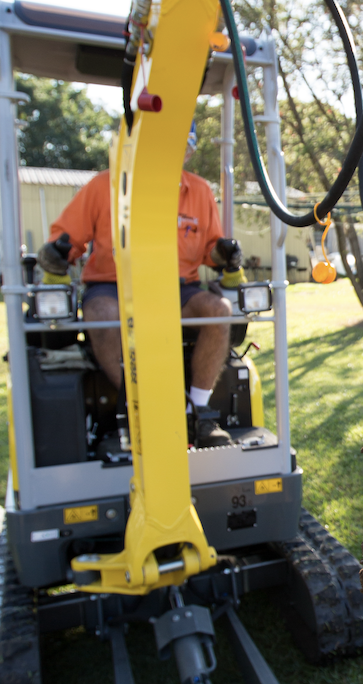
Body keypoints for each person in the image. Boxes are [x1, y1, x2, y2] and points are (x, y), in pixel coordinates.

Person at [37, 126, 243, 448]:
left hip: (177, 288)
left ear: (188, 152)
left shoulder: (200, 191)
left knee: (219, 310)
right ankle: (143, 409)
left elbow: (210, 250)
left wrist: (223, 254)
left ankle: (198, 412)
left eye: (181, 148)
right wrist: (56, 253)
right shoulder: (103, 186)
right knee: (101, 315)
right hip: (113, 285)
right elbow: (67, 239)